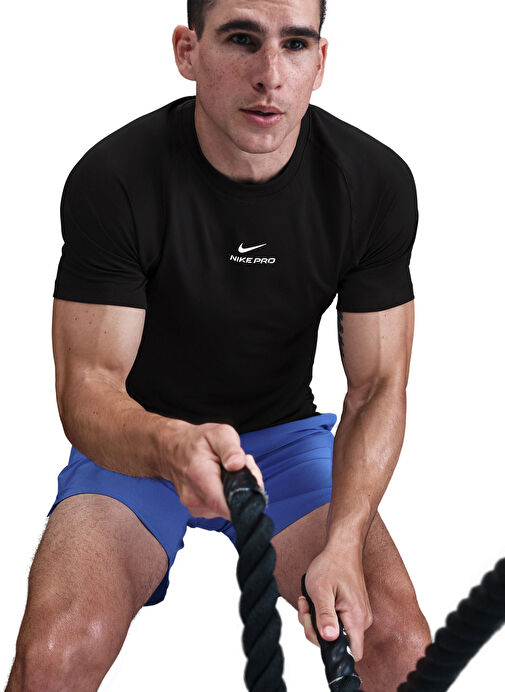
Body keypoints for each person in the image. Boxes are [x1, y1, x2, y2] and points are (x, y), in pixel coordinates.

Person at [6, 0, 432, 690]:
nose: (270, 75)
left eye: (295, 44)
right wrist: (170, 446)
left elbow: (378, 386)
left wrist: (345, 540)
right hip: (140, 442)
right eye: (241, 39)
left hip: (285, 439)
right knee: (56, 655)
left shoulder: (370, 183)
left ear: (320, 61)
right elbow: (87, 391)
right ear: (187, 51)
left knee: (398, 644)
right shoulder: (117, 178)